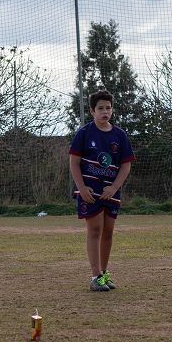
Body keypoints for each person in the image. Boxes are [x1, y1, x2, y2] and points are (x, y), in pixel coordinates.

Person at [68, 89, 135, 292]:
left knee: (108, 232)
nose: (105, 112)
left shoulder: (119, 135)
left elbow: (125, 165)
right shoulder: (84, 133)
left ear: (112, 110)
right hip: (90, 191)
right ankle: (95, 275)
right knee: (95, 230)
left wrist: (114, 187)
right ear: (92, 111)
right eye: (100, 108)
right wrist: (81, 187)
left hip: (111, 192)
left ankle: (104, 274)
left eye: (108, 108)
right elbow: (74, 162)